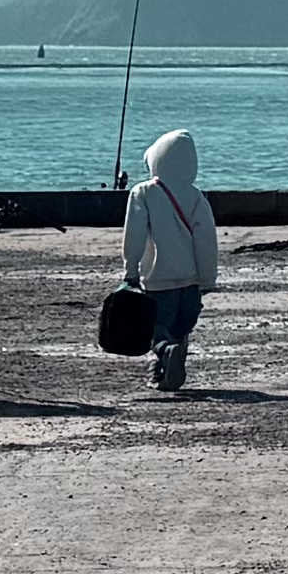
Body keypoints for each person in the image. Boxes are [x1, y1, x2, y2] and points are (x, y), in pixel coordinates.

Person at [122, 125, 218, 393]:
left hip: (157, 280)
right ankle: (165, 376)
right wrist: (207, 277)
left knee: (155, 330)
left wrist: (131, 269)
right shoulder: (197, 197)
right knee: (180, 328)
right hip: (190, 281)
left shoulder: (143, 192)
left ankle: (165, 356)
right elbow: (207, 242)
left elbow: (135, 236)